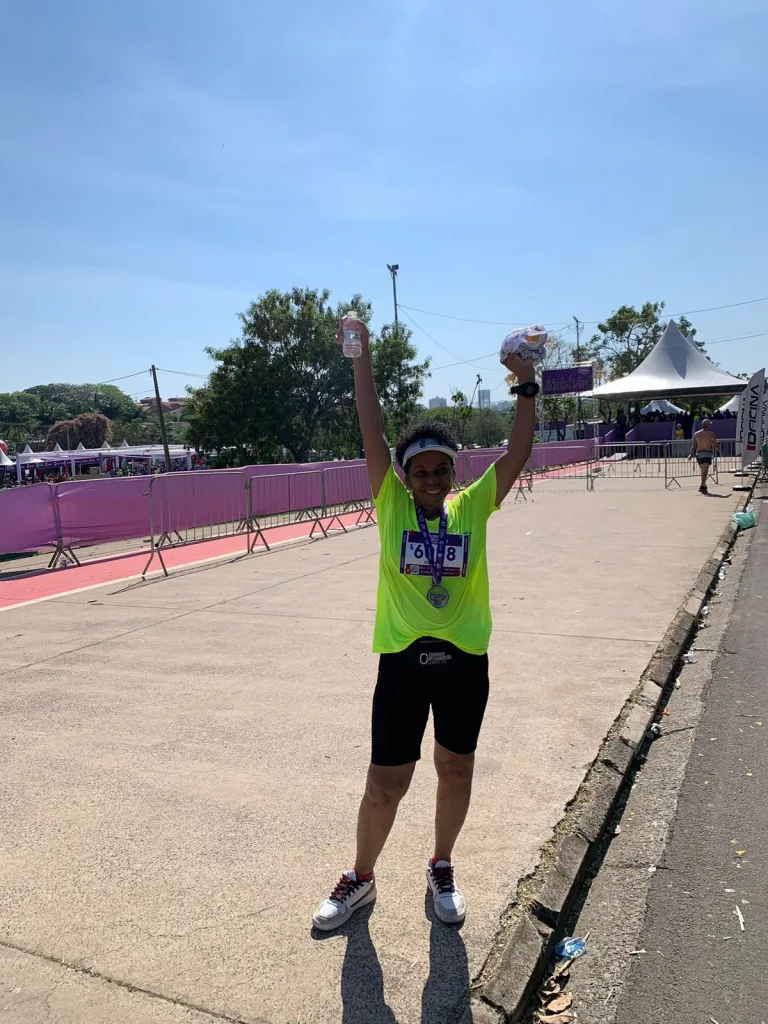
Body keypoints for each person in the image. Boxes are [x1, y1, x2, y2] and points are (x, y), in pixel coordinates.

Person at [312, 313, 537, 932]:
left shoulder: (474, 507)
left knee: (455, 768)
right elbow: (372, 426)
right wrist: (361, 357)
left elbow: (519, 450)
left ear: (453, 474)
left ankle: (442, 865)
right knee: (386, 781)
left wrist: (527, 383)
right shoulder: (389, 504)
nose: (431, 480)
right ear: (404, 477)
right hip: (404, 665)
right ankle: (360, 877)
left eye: (441, 470)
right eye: (421, 471)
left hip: (465, 664)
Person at [688, 418, 720, 494]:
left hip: (699, 454)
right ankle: (703, 485)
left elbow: (693, 446)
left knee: (703, 471)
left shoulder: (696, 434)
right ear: (708, 425)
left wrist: (691, 454)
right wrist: (720, 452)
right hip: (707, 453)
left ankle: (703, 487)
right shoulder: (711, 434)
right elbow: (716, 445)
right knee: (704, 472)